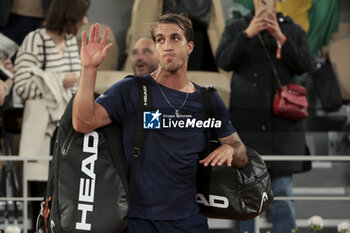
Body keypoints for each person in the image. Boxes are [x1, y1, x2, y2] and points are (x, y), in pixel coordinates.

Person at [73, 13, 248, 233]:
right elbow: (83, 122)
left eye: (175, 38)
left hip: (189, 222)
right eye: (160, 40)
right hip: (137, 221)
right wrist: (88, 69)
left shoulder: (208, 100)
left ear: (190, 46)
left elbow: (241, 151)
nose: (167, 46)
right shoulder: (131, 90)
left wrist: (230, 149)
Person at [215, 0, 314, 233]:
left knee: (283, 194)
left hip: (284, 128)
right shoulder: (236, 27)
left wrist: (281, 38)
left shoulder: (293, 30)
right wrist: (247, 34)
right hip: (247, 127)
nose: (262, 2)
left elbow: (305, 65)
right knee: (247, 195)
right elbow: (223, 60)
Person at [12, 0, 90, 231]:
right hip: (42, 131)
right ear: (70, 14)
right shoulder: (36, 39)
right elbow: (23, 86)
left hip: (65, 129)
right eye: (82, 15)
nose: (85, 21)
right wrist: (58, 80)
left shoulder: (70, 41)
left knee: (64, 191)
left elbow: (76, 85)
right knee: (39, 193)